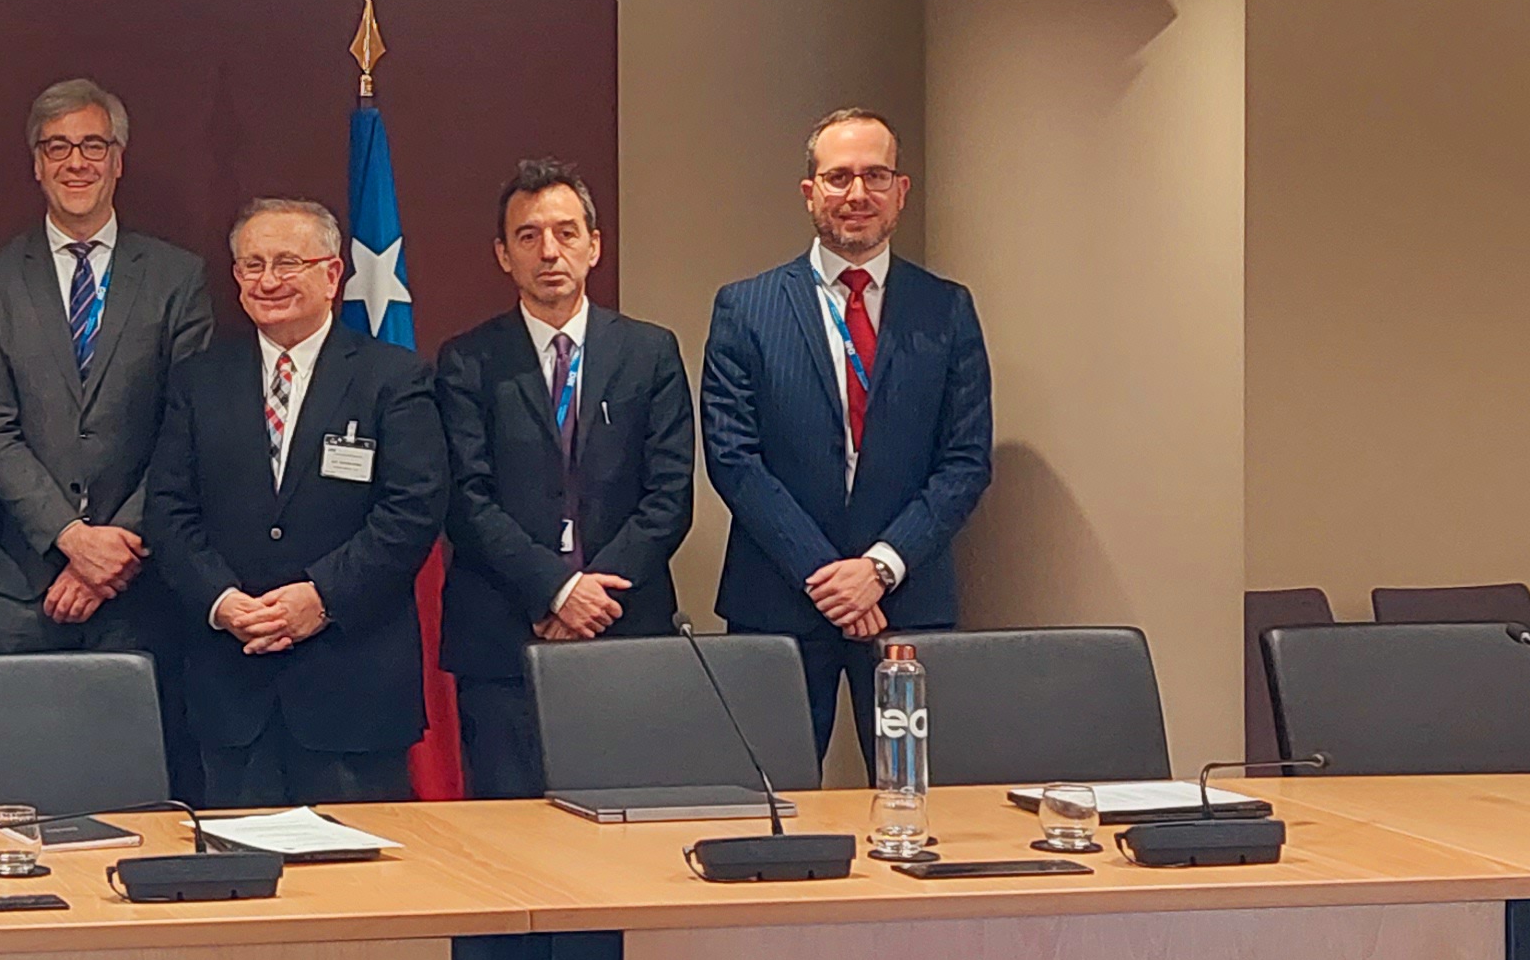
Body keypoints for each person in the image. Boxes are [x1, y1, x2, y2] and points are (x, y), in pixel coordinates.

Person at [699, 108, 997, 759]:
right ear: (809, 192)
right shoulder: (745, 309)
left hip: (905, 603)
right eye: (838, 178)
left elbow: (965, 462)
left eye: (874, 176)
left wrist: (879, 569)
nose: (856, 194)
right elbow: (733, 458)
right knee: (772, 808)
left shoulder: (946, 309)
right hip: (777, 599)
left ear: (901, 191)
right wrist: (827, 575)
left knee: (914, 798)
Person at [142, 198, 451, 806]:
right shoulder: (198, 380)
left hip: (352, 692)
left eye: (287, 262)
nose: (268, 281)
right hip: (231, 689)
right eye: (251, 265)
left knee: (361, 889)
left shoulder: (394, 377)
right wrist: (223, 602)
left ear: (333, 274)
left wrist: (323, 597)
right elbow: (169, 512)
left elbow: (412, 510)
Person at [0, 78, 216, 790]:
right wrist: (71, 540)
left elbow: (185, 430)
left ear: (118, 159)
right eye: (58, 147)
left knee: (137, 790)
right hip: (21, 586)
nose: (77, 162)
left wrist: (115, 551)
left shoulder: (176, 277)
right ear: (35, 163)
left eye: (92, 145)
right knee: (16, 791)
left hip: (141, 584)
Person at [430, 160, 697, 799]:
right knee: (507, 838)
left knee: (628, 829)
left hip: (624, 628)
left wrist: (591, 598)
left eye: (566, 233)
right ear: (503, 255)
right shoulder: (467, 359)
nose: (549, 251)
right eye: (527, 236)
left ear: (594, 245)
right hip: (503, 636)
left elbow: (670, 497)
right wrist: (555, 590)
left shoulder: (650, 351)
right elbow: (465, 501)